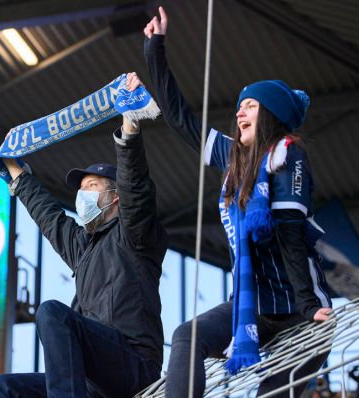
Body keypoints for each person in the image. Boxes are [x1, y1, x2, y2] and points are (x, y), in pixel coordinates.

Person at [142, 7, 333, 397]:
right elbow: (181, 120)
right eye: (240, 104)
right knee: (187, 336)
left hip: (301, 312)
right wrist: (154, 50)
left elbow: (290, 236)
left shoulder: (287, 154)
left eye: (251, 105)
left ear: (271, 114)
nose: (239, 111)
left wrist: (308, 306)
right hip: (255, 310)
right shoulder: (236, 161)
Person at [0, 75, 169, 398]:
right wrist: (14, 169)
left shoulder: (135, 234)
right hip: (93, 380)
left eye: (91, 187)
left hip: (134, 365)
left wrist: (129, 128)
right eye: (80, 190)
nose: (81, 195)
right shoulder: (83, 247)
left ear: (115, 197)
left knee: (51, 313)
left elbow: (136, 185)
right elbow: (48, 216)